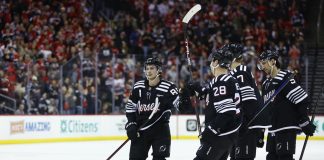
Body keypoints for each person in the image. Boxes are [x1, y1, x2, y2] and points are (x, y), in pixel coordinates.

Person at [258, 50, 316, 160]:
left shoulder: (285, 77)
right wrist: (261, 132)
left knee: (285, 157)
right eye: (260, 64)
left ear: (273, 61)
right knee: (271, 157)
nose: (262, 67)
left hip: (285, 127)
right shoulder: (266, 83)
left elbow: (302, 99)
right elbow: (265, 110)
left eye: (264, 63)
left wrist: (304, 121)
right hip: (272, 129)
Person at [188, 48, 241, 160]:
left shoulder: (221, 81)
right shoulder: (229, 80)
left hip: (219, 135)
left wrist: (210, 130)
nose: (211, 64)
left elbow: (227, 112)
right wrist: (198, 89)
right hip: (229, 134)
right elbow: (212, 97)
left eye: (212, 61)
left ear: (217, 62)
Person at [124, 57, 179, 160]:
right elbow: (130, 107)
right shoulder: (138, 86)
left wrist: (185, 96)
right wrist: (131, 124)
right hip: (141, 130)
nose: (148, 71)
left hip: (160, 131)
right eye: (147, 68)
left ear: (159, 70)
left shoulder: (169, 88)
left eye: (152, 68)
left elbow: (181, 106)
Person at [225, 44, 270, 160]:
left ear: (233, 58)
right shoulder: (235, 72)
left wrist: (244, 122)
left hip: (247, 125)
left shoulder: (240, 71)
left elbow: (248, 100)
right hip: (244, 124)